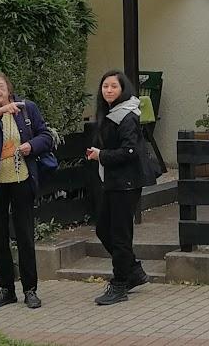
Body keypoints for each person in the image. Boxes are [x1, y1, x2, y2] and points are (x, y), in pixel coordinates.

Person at [0, 71, 53, 311]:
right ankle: (6, 290)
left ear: (9, 89)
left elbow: (46, 136)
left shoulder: (27, 108)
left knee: (25, 236)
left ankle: (30, 290)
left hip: (22, 180)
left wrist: (31, 145)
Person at [86, 70, 154, 306]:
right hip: (113, 182)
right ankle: (133, 270)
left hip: (126, 184)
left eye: (114, 86)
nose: (109, 90)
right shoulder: (111, 113)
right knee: (103, 230)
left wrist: (101, 155)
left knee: (119, 235)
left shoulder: (127, 116)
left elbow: (130, 151)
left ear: (123, 89)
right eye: (105, 86)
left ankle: (120, 284)